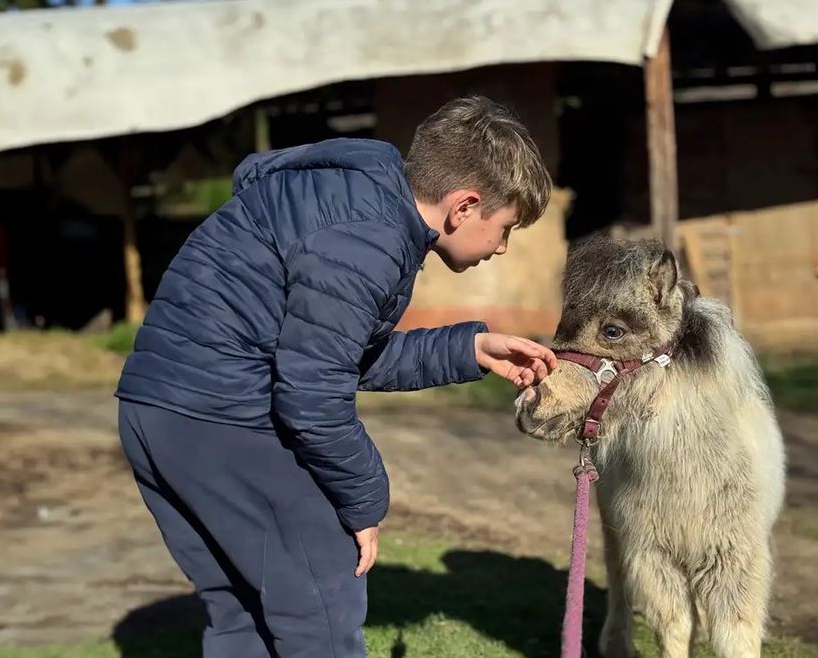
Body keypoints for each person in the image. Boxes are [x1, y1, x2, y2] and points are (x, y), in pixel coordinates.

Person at [114, 95, 557, 657]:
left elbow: (329, 356)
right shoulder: (368, 236)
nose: (501, 247)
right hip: (219, 412)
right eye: (506, 228)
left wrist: (469, 349)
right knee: (322, 602)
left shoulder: (355, 203)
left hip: (156, 410)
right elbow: (312, 395)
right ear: (464, 206)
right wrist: (364, 501)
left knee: (243, 616)